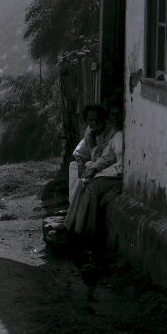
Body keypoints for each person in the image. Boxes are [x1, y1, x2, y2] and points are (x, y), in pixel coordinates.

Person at [64, 104, 124, 289]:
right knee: (83, 180)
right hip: (106, 167)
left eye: (117, 114)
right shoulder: (107, 135)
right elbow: (104, 157)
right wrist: (91, 168)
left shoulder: (118, 134)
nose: (113, 118)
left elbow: (114, 160)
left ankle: (84, 233)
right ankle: (73, 226)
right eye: (112, 114)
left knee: (90, 187)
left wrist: (94, 167)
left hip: (119, 172)